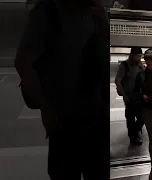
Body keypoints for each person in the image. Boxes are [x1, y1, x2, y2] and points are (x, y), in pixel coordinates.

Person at [14, 0, 109, 179]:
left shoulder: (95, 13)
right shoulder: (49, 12)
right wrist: (47, 109)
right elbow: (23, 63)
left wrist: (105, 26)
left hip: (98, 121)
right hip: (65, 123)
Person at [115, 47, 144, 145]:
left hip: (139, 97)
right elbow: (117, 81)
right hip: (129, 98)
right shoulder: (124, 65)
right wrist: (124, 95)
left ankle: (136, 131)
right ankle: (133, 137)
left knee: (143, 116)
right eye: (137, 56)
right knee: (130, 118)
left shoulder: (139, 66)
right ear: (132, 55)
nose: (139, 58)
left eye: (140, 56)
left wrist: (143, 69)